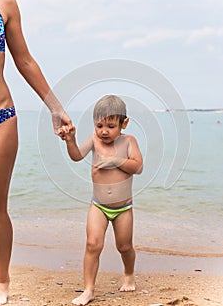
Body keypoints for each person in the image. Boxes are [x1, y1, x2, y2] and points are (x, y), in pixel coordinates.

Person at [0, 0, 72, 305]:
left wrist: (55, 108)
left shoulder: (5, 4)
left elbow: (24, 60)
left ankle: (1, 281)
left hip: (0, 115)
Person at [59, 94, 143, 306]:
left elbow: (138, 167)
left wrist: (114, 161)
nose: (104, 131)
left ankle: (129, 273)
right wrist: (70, 141)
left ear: (124, 124)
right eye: (99, 125)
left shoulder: (129, 142)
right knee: (92, 244)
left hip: (123, 208)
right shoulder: (95, 140)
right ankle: (88, 290)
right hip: (98, 206)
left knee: (124, 247)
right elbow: (77, 156)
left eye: (111, 126)